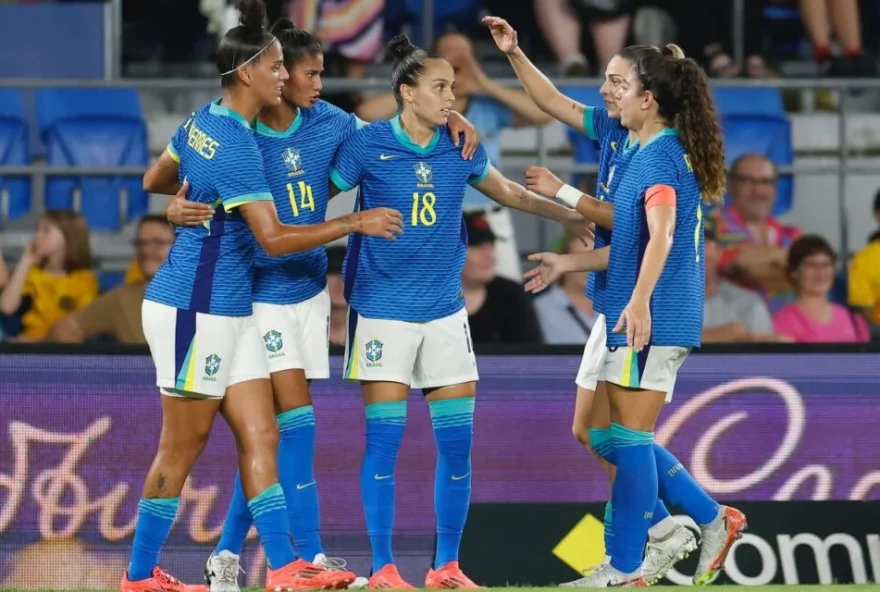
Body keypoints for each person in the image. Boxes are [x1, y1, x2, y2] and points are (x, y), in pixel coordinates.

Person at [159, 16, 480, 592]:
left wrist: (449, 114)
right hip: (254, 294)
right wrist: (176, 207)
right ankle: (305, 558)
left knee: (274, 437)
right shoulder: (240, 129)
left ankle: (231, 552)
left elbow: (399, 130)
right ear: (273, 77)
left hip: (308, 292)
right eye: (307, 72)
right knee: (293, 427)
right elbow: (166, 177)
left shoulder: (332, 123)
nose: (316, 83)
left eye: (314, 72)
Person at [126, 1, 402, 590]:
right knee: (182, 447)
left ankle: (283, 569)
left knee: (264, 433)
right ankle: (140, 575)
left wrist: (178, 198)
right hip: (194, 305)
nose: (286, 74)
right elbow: (272, 239)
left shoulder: (206, 118)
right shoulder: (235, 142)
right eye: (278, 66)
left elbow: (153, 180)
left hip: (233, 306)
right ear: (247, 73)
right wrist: (353, 224)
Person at [328, 34, 590, 589]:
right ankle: (383, 569)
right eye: (440, 87)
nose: (452, 97)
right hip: (381, 311)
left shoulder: (460, 146)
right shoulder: (366, 145)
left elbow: (509, 194)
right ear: (406, 92)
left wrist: (566, 215)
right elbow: (309, 197)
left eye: (453, 86)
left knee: (456, 446)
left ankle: (445, 566)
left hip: (445, 313)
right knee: (385, 444)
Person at [482, 16, 697, 585]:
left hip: (643, 305)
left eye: (616, 82)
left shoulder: (656, 155)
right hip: (619, 298)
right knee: (597, 433)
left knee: (624, 439)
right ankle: (685, 523)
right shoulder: (620, 131)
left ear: (647, 97)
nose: (605, 91)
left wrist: (566, 193)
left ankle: (635, 557)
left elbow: (650, 231)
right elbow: (551, 99)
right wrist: (514, 52)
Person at [357, 31, 553, 283]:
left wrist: (484, 83)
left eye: (465, 53)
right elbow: (365, 112)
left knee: (504, 294)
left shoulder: (486, 106)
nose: (459, 58)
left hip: (489, 217)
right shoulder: (417, 110)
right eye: (450, 51)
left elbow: (544, 114)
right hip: (436, 217)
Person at [47, 215, 174, 344]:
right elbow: (64, 331)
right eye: (141, 243)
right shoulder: (122, 298)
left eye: (158, 243)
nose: (146, 251)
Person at [0, 210, 97, 342]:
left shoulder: (85, 280)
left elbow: (84, 328)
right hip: (29, 342)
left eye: (46, 231)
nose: (37, 236)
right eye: (37, 230)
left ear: (69, 237)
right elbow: (6, 307)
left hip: (64, 349)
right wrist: (26, 260)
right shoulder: (33, 273)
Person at [462, 211, 542, 344]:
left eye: (491, 246)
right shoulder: (425, 300)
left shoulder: (511, 296)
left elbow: (532, 358)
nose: (490, 257)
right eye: (477, 247)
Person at [773, 235, 870, 343]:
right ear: (794, 272)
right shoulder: (785, 320)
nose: (821, 273)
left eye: (826, 265)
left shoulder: (853, 319)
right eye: (811, 265)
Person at [531, 233, 600, 345]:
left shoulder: (617, 305)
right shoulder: (541, 307)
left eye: (594, 259)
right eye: (579, 259)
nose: (587, 267)